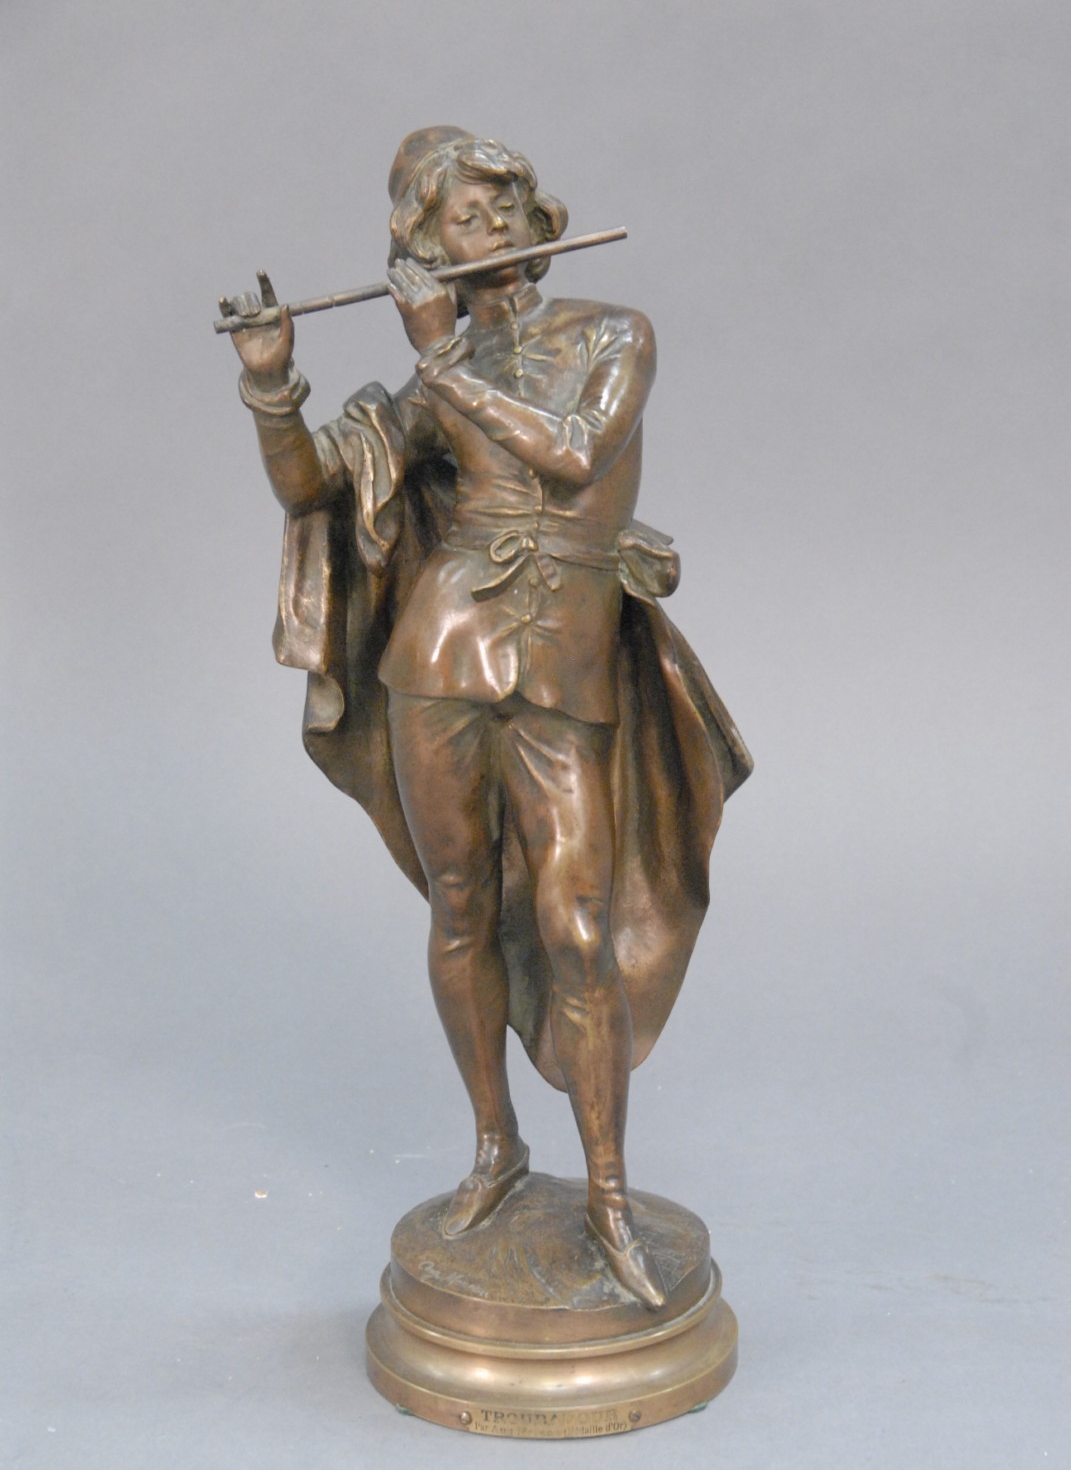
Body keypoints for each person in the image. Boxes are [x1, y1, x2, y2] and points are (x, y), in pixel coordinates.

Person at [221, 128, 752, 1310]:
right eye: (466, 215)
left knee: (577, 925)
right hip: (442, 650)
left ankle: (608, 1195)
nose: (495, 227)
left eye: (507, 205)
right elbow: (311, 485)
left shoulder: (610, 334)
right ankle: (495, 1146)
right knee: (459, 901)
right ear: (423, 248)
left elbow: (573, 455)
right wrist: (269, 383)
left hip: (567, 660)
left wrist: (443, 358)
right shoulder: (430, 385)